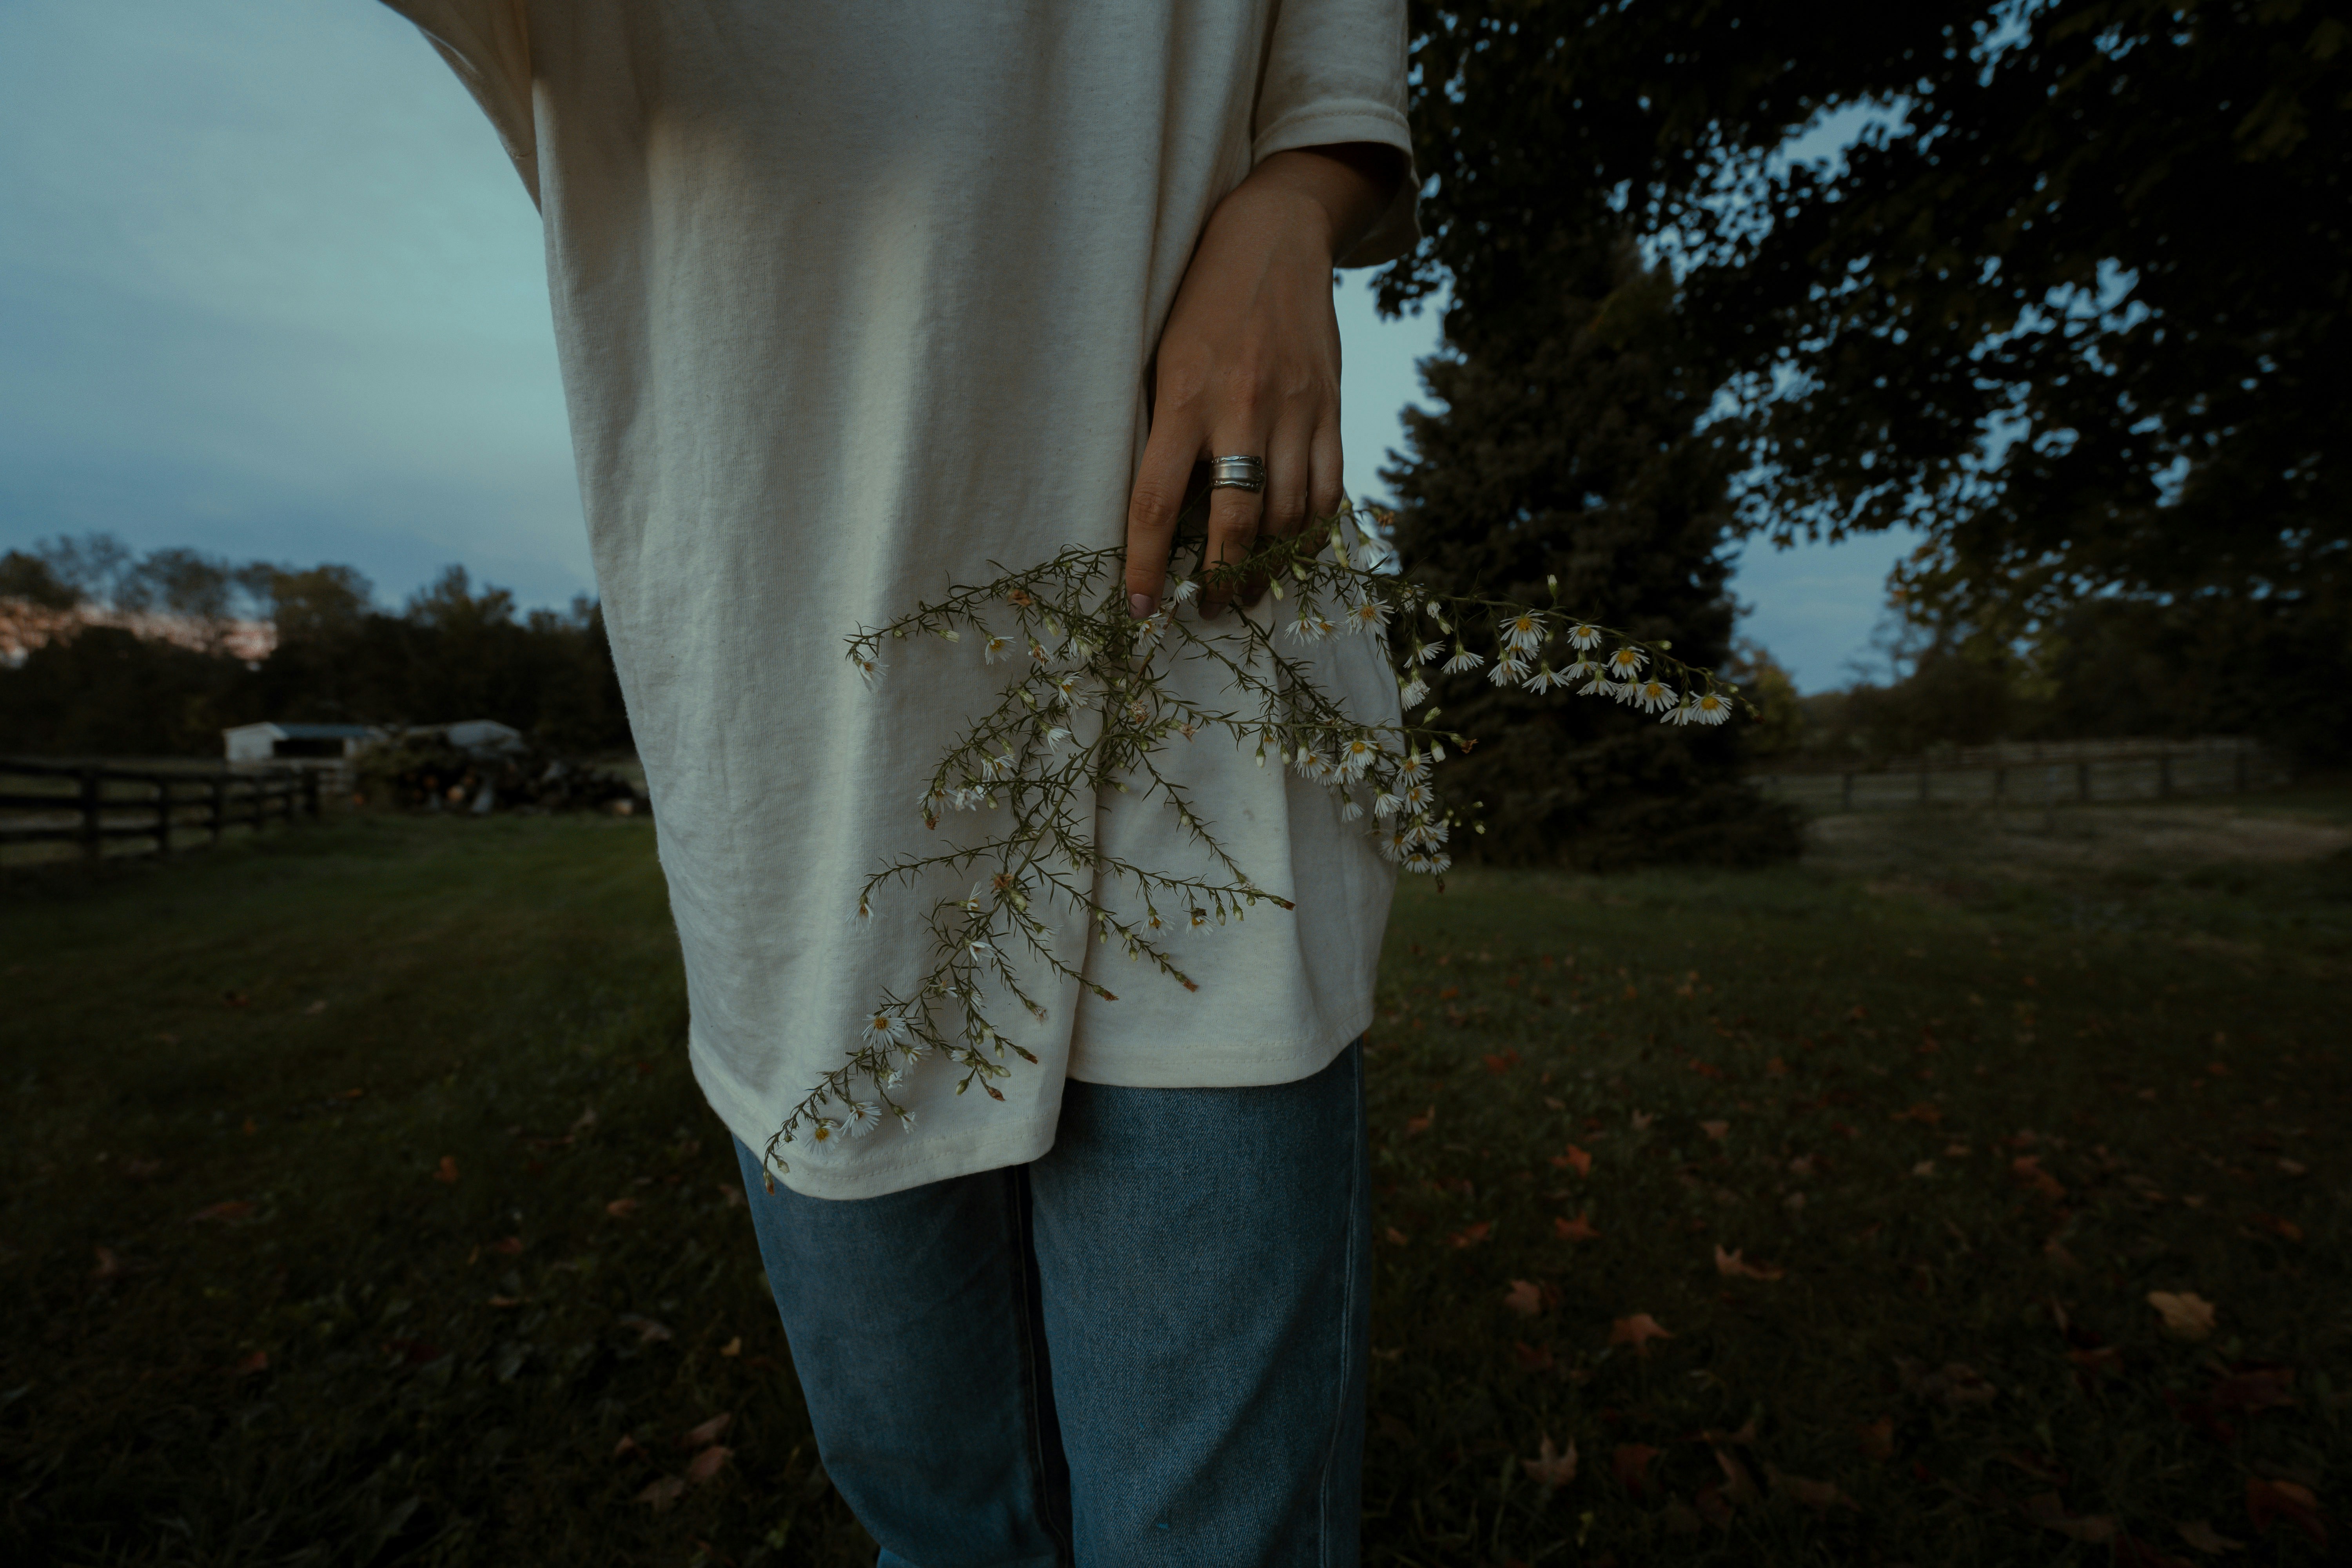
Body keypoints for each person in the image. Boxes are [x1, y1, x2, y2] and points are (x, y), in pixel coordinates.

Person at [379, 4, 1416, 1562]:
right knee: (941, 1532)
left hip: (1201, 678)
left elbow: (1338, 75)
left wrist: (1291, 206)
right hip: (807, 798)